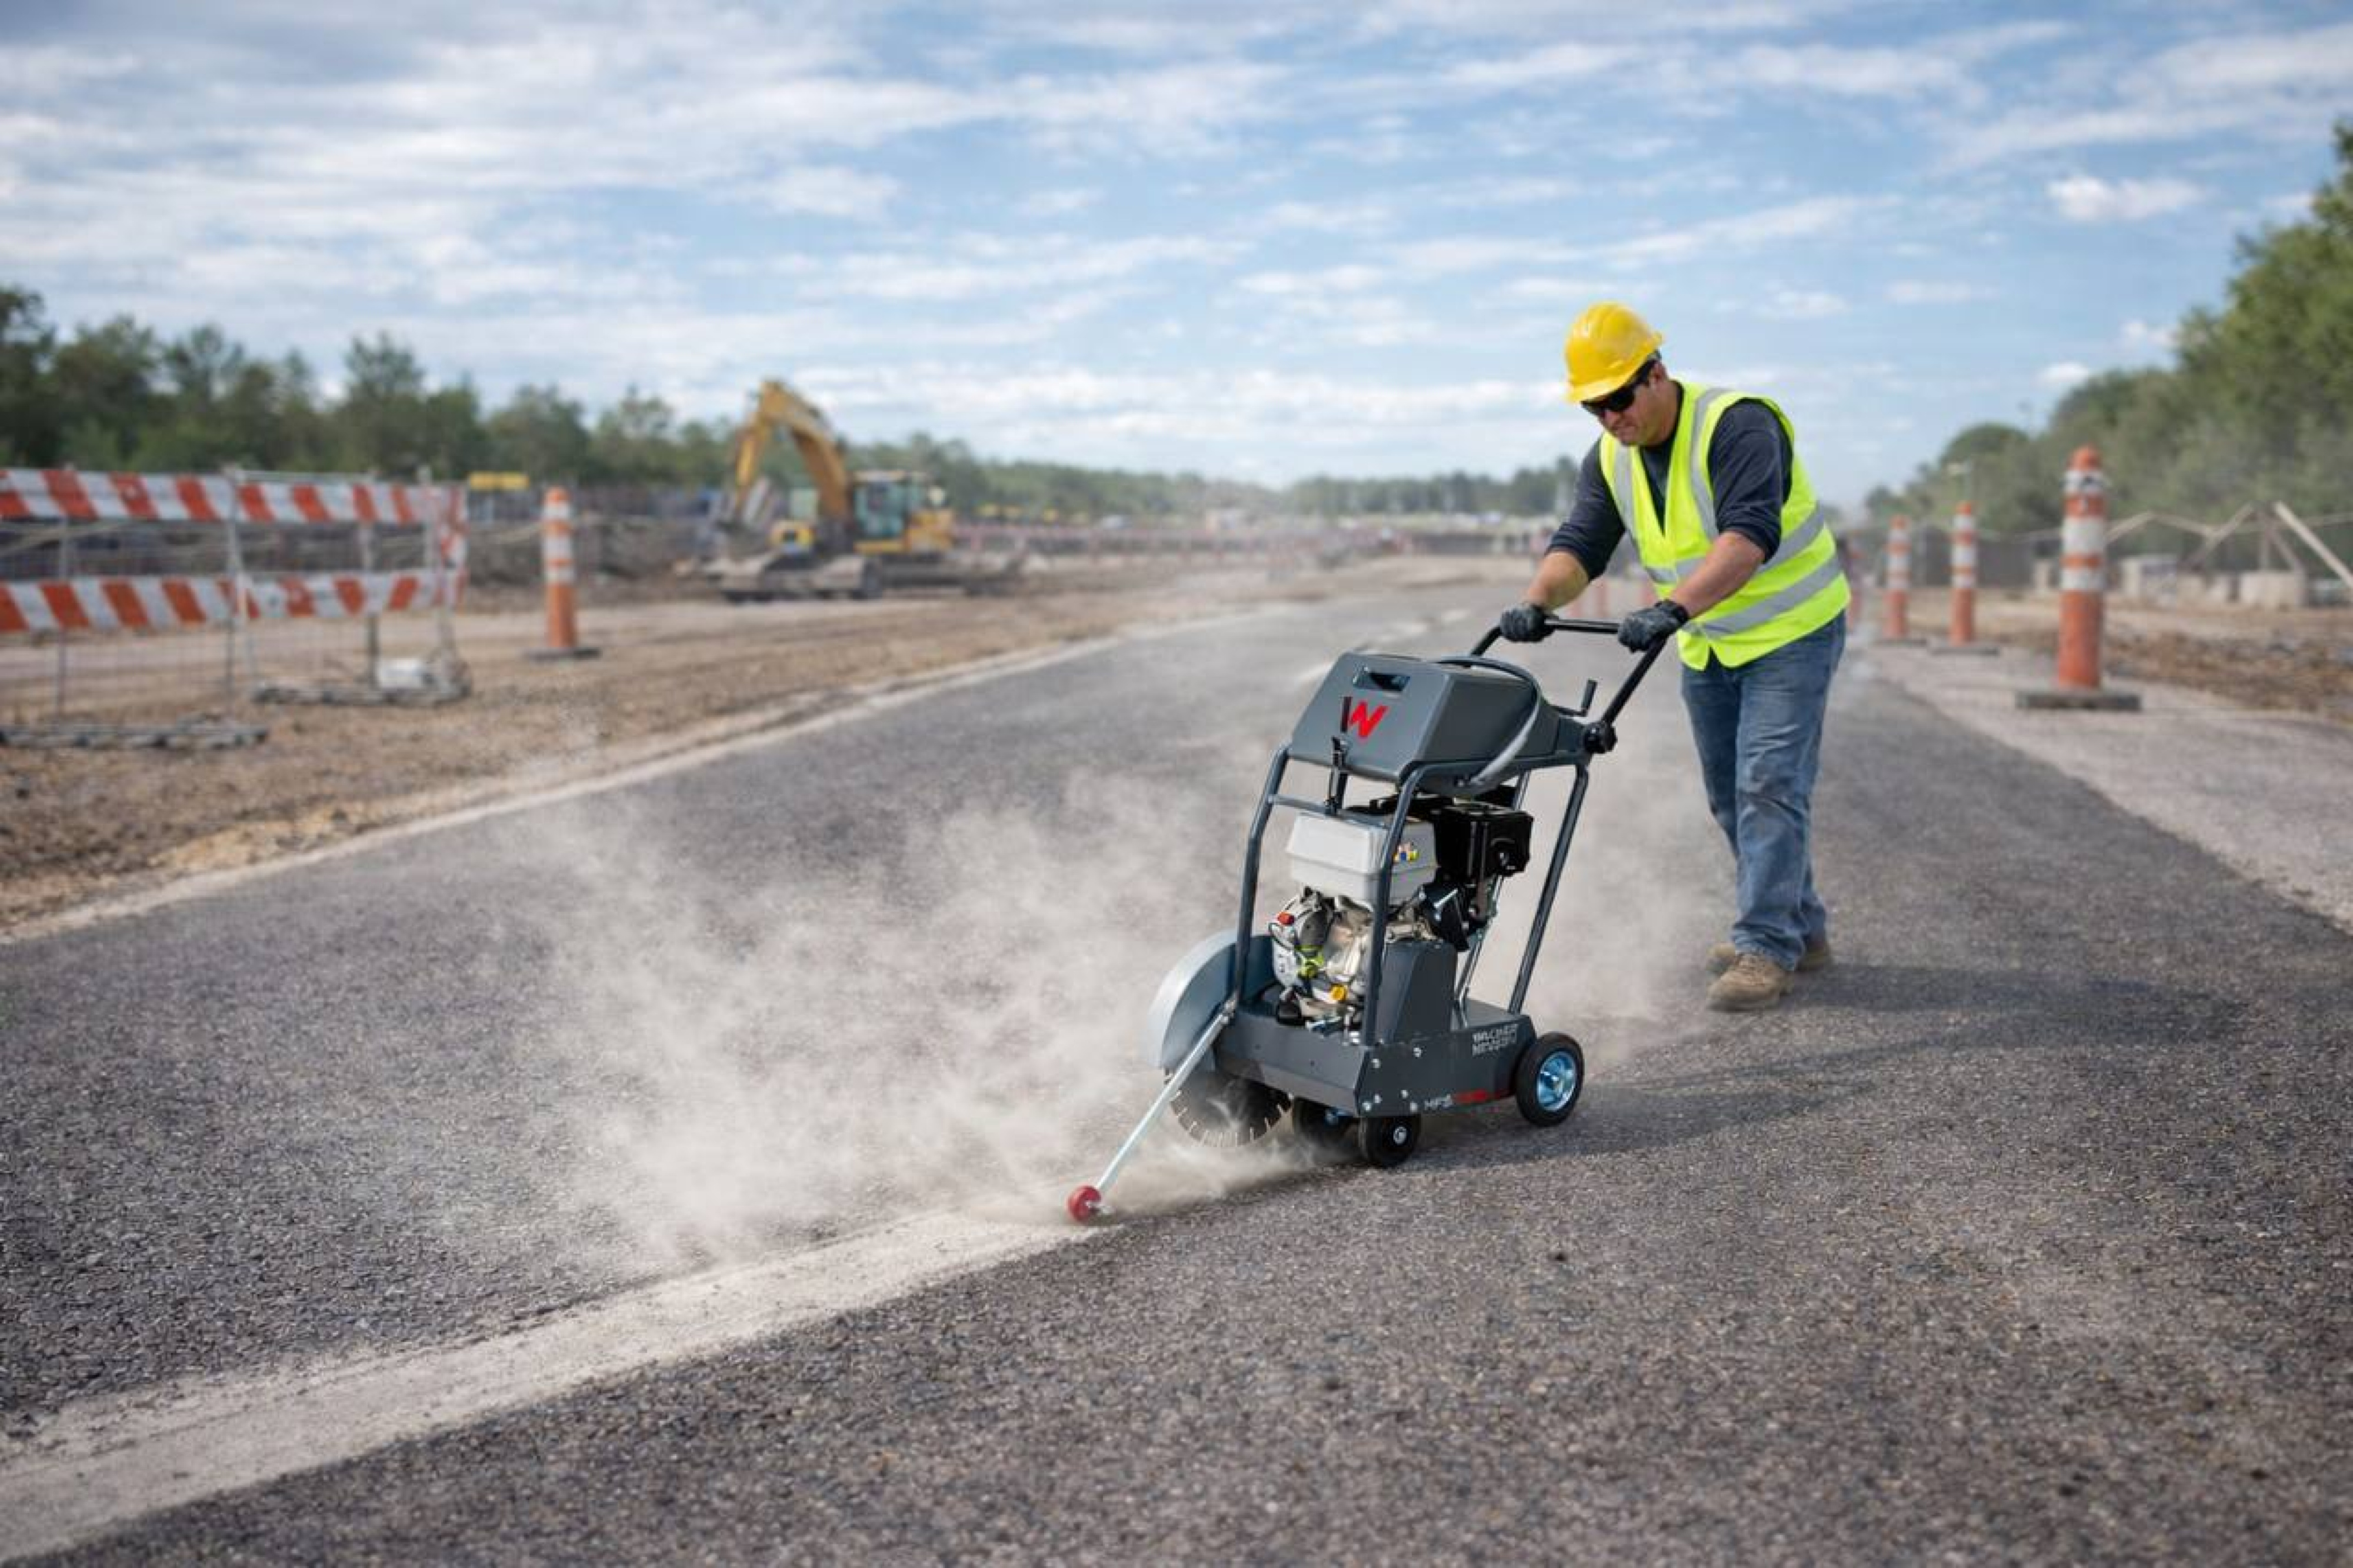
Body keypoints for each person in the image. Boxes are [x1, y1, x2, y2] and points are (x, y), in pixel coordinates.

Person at [1500, 302, 1849, 1012]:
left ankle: (1764, 945)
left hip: (1792, 632)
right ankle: (1800, 925)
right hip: (1711, 642)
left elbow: (1746, 539)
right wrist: (1538, 600)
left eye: (1618, 399)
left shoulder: (1738, 425)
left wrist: (1670, 608)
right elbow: (1581, 546)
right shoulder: (1609, 457)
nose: (1609, 418)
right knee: (1729, 794)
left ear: (1655, 373)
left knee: (1767, 785)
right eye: (1593, 407)